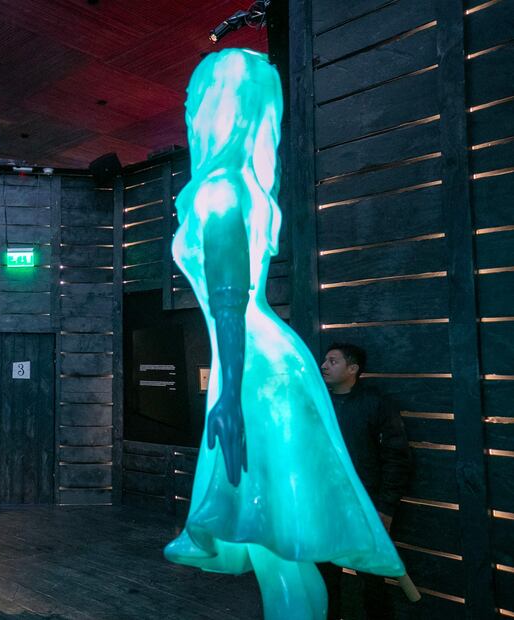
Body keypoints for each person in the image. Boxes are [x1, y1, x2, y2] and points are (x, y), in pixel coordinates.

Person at [162, 48, 405, 620]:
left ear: (217, 102)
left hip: (252, 368)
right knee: (275, 542)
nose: (190, 106)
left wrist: (227, 396)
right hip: (261, 361)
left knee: (274, 539)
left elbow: (229, 298)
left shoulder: (220, 188)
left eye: (196, 95)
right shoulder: (247, 188)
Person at [319, 343, 412, 618]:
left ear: (353, 369)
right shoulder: (319, 404)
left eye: (332, 361)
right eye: (324, 360)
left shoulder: (375, 403)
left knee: (372, 579)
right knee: (325, 576)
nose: (324, 365)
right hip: (326, 506)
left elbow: (397, 457)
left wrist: (386, 507)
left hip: (366, 506)